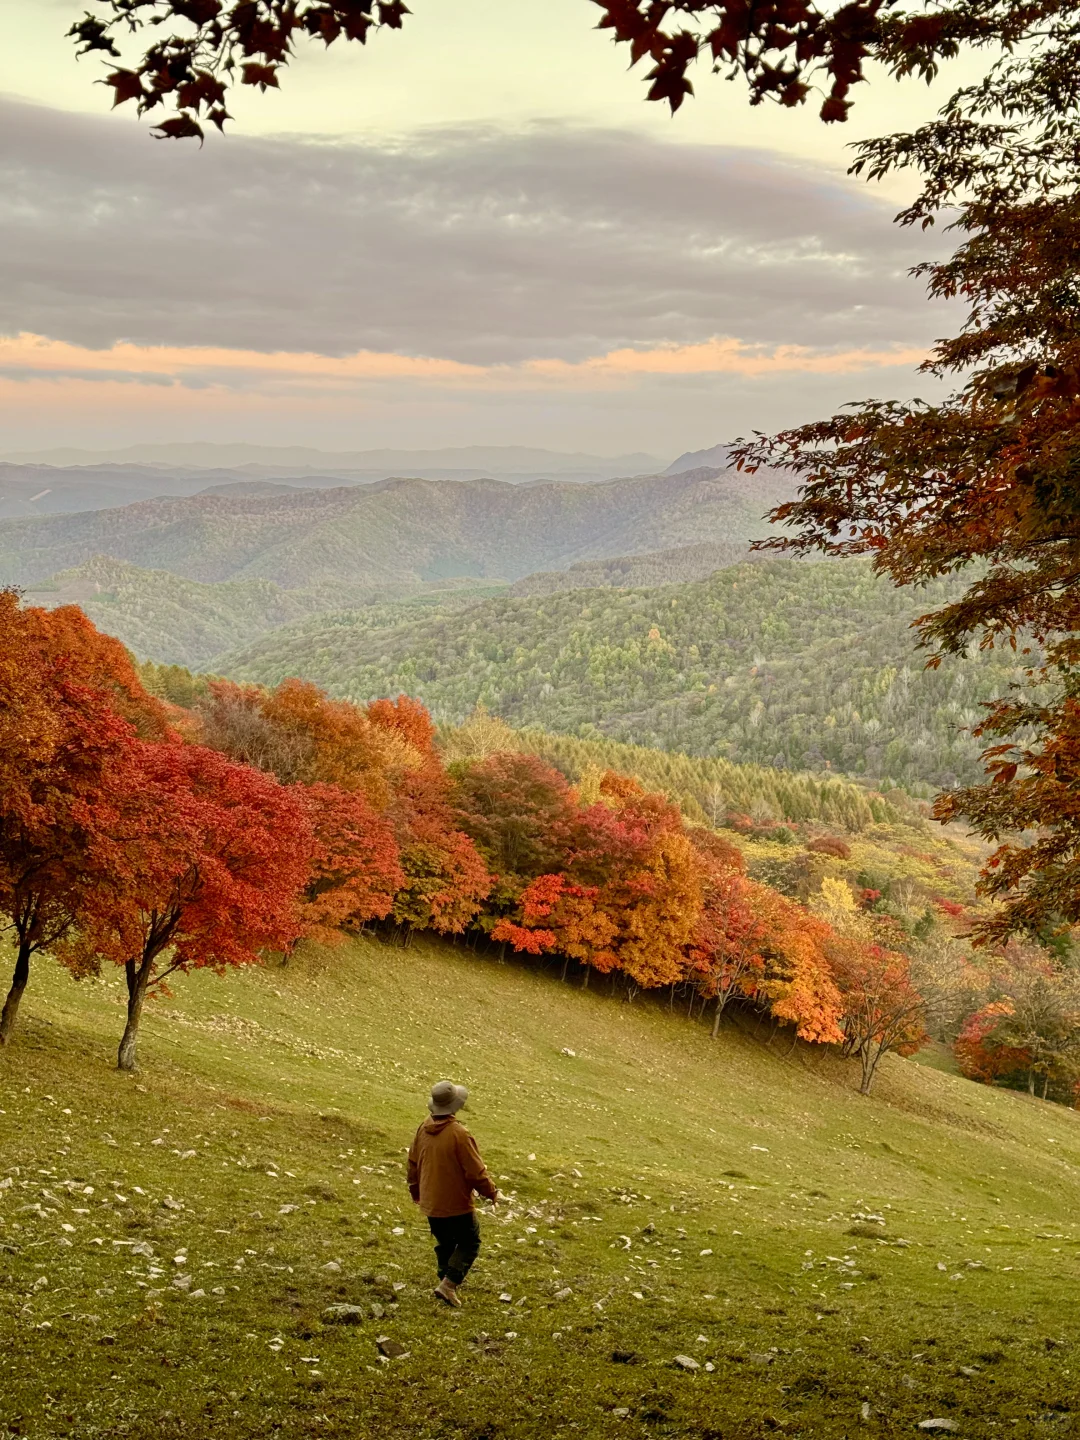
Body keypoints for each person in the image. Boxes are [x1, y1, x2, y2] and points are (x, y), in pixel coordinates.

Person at [407, 1079, 499, 1308]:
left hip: (430, 1201)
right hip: (456, 1204)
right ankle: (448, 1284)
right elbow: (475, 1172)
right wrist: (492, 1193)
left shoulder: (423, 1127)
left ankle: (444, 1282)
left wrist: (416, 1191)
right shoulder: (459, 1134)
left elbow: (413, 1163)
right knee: (470, 1241)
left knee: (445, 1242)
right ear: (455, 1106)